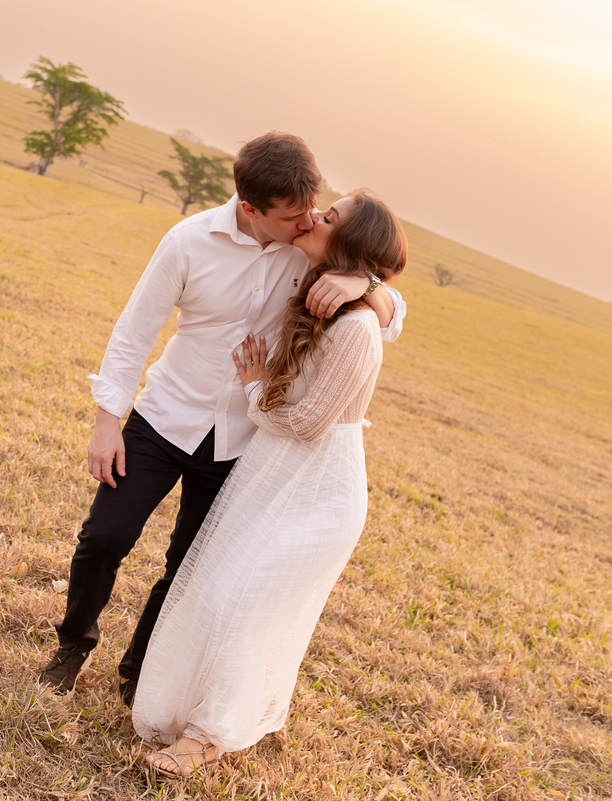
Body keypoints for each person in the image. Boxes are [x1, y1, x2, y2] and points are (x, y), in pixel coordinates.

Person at [36, 133, 407, 704]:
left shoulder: (307, 246)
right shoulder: (188, 242)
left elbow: (389, 317)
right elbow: (135, 331)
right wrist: (107, 421)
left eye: (314, 206)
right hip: (164, 418)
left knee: (187, 568)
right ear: (252, 208)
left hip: (244, 440)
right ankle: (72, 645)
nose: (309, 220)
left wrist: (366, 284)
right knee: (104, 536)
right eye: (293, 215)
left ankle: (139, 673)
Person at [131, 189, 406, 777]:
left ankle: (209, 737)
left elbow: (308, 423)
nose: (314, 218)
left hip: (318, 491)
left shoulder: (358, 326)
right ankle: (192, 710)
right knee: (216, 591)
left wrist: (256, 389)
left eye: (329, 218)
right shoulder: (304, 279)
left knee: (246, 602)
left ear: (350, 244)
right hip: (270, 476)